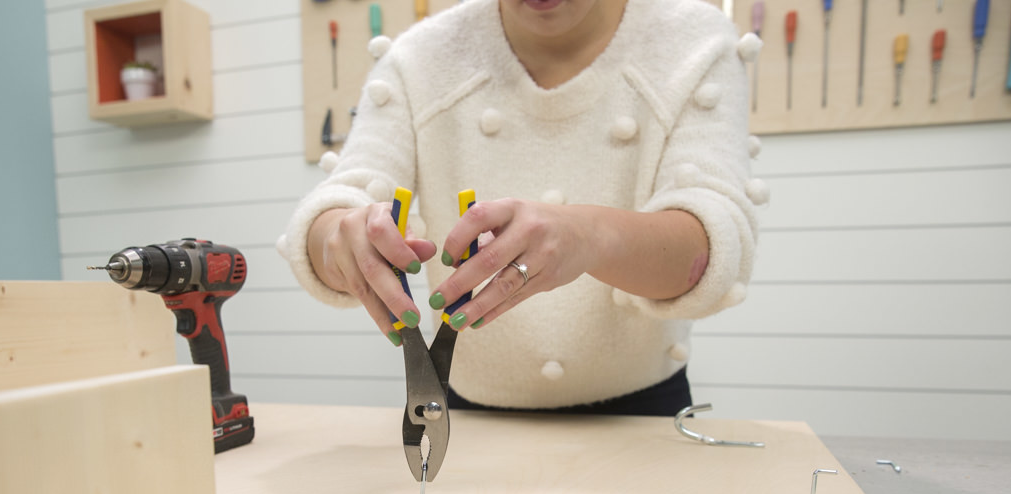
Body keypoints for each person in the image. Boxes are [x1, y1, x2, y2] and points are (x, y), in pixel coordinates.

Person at [281, 0, 762, 416]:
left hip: (648, 411)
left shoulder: (693, 39)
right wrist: (339, 239)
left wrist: (590, 235)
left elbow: (715, 245)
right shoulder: (418, 59)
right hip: (468, 411)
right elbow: (341, 203)